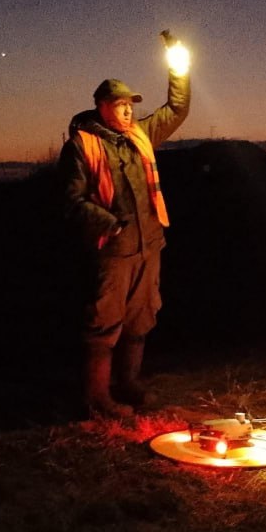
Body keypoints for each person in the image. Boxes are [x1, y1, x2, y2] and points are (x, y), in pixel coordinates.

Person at [58, 32, 191, 418]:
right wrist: (109, 224)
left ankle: (128, 383)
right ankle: (97, 397)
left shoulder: (141, 134)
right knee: (104, 323)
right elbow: (71, 200)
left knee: (142, 317)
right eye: (121, 105)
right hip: (113, 250)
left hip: (150, 244)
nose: (129, 111)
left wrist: (178, 67)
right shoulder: (81, 145)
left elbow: (177, 109)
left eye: (132, 104)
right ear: (102, 107)